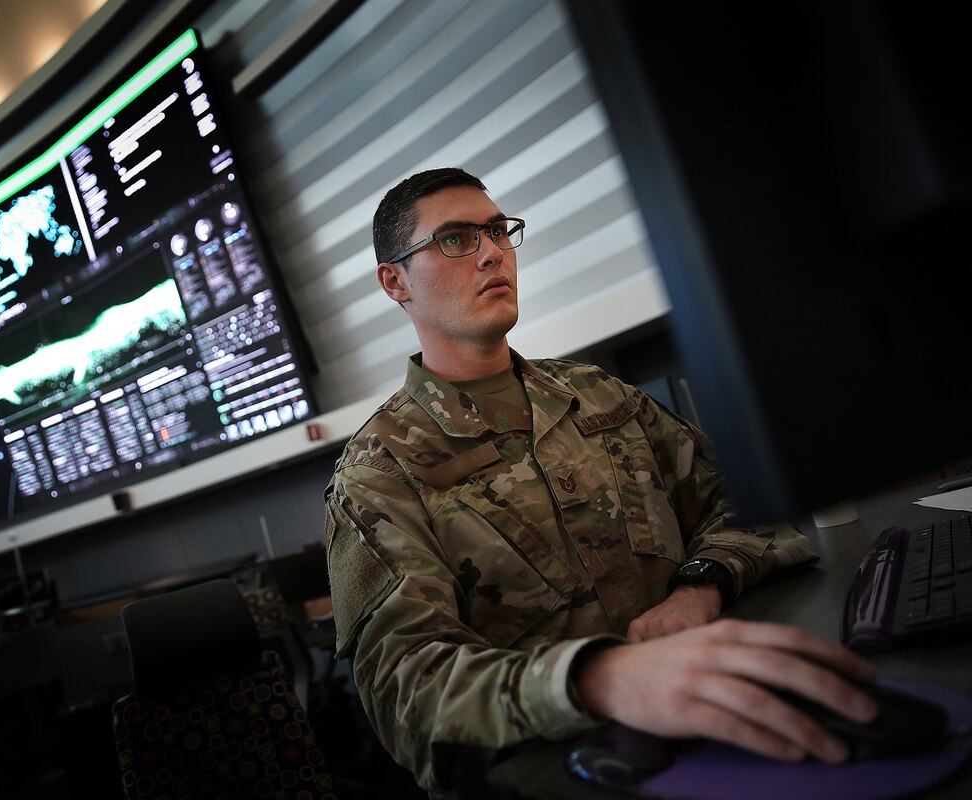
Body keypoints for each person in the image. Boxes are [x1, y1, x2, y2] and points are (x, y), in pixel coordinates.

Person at [322, 167, 879, 796]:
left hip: (720, 709)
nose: (490, 252)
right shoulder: (379, 473)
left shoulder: (596, 396)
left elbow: (745, 502)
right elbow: (406, 690)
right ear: (395, 281)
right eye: (455, 239)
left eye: (497, 231)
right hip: (565, 766)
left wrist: (701, 584)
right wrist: (600, 678)